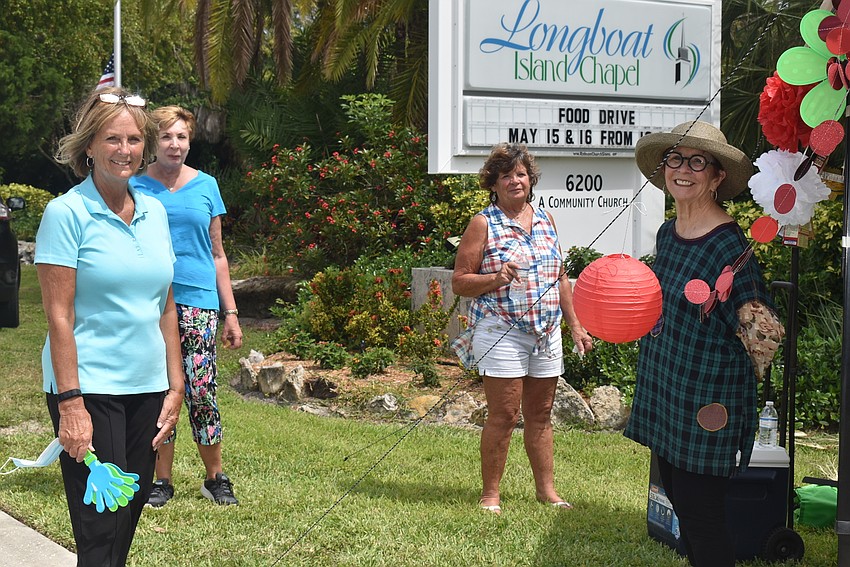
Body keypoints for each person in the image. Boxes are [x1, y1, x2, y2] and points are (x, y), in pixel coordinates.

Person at [36, 87, 185, 565]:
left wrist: (176, 385)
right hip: (89, 386)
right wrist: (70, 404)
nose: (125, 150)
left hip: (147, 387)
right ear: (89, 146)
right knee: (99, 522)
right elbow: (59, 315)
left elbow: (165, 305)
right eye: (112, 139)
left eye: (134, 140)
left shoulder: (156, 211)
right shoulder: (66, 213)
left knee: (131, 507)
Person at [626, 121, 783, 566]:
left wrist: (752, 324)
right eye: (675, 158)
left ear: (716, 177)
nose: (683, 169)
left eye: (698, 161)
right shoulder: (667, 233)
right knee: (678, 498)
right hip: (668, 384)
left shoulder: (731, 247)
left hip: (708, 397)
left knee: (702, 515)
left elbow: (765, 332)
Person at [451, 143, 593, 515]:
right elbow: (460, 282)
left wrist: (575, 325)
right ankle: (490, 495)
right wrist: (496, 278)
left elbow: (560, 276)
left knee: (541, 414)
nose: (515, 180)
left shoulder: (546, 219)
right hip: (502, 330)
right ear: (493, 185)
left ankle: (546, 491)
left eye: (521, 174)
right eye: (506, 176)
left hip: (546, 332)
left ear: (530, 180)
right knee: (504, 415)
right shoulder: (483, 222)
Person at [131, 105, 242, 507]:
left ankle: (215, 477)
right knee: (160, 389)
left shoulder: (207, 185)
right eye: (166, 136)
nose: (174, 144)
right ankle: (161, 480)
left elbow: (217, 253)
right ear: (152, 142)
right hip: (151, 302)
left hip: (198, 302)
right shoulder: (136, 186)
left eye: (181, 137)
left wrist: (230, 313)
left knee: (201, 389)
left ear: (189, 141)